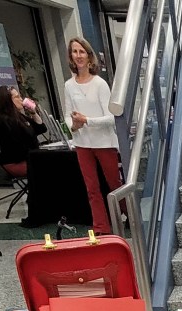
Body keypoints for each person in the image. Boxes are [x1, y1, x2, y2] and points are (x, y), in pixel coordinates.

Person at [64, 37, 123, 235]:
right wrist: (74, 126)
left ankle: (126, 214)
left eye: (82, 51)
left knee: (114, 183)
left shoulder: (100, 84)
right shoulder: (68, 86)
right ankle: (101, 227)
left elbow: (111, 118)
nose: (78, 55)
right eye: (75, 52)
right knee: (92, 188)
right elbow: (67, 114)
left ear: (89, 56)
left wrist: (87, 120)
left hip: (104, 142)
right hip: (82, 143)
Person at [0, 85, 46, 177]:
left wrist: (33, 113)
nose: (21, 99)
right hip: (18, 162)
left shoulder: (19, 116)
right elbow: (19, 147)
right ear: (8, 101)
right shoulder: (5, 121)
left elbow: (41, 128)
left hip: (29, 158)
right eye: (17, 97)